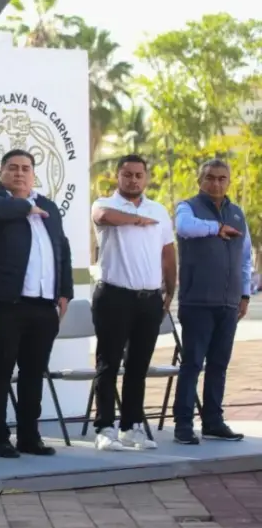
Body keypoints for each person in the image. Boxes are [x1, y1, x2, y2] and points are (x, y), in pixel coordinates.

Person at [0, 149, 73, 459]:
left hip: (43, 307)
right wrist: (25, 206)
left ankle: (30, 436)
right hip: (5, 304)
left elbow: (62, 251)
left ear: (34, 173)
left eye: (26, 168)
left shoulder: (48, 207)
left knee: (33, 373)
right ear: (1, 172)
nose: (19, 173)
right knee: (0, 371)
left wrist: (64, 292)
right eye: (12, 168)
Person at [90, 154, 176, 452]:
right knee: (108, 363)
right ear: (118, 176)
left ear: (147, 178)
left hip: (148, 299)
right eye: (127, 174)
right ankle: (104, 428)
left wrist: (170, 288)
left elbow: (167, 251)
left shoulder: (160, 210)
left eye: (139, 174)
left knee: (138, 366)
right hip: (114, 296)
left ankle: (131, 427)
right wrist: (138, 220)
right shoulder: (105, 204)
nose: (133, 180)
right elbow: (103, 218)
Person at [172, 158, 253, 445]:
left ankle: (213, 422)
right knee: (192, 364)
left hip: (229, 304)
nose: (215, 183)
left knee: (219, 364)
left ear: (228, 182)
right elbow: (184, 227)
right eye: (209, 177)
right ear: (200, 180)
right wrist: (216, 228)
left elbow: (245, 259)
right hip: (197, 302)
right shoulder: (187, 207)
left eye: (221, 178)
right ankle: (182, 425)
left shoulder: (237, 214)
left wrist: (244, 295)